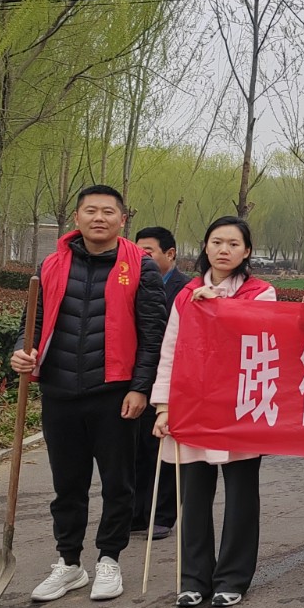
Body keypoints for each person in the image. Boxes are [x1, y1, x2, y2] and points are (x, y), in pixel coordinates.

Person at [11, 185, 167, 603]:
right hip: (60, 391)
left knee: (118, 483)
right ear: (77, 217)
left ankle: (109, 559)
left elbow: (153, 334)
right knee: (67, 485)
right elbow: (32, 322)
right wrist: (22, 352)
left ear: (122, 220)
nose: (99, 218)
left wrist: (141, 388)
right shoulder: (51, 264)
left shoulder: (141, 267)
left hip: (114, 393)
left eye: (108, 212)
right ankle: (69, 563)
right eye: (91, 211)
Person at [150, 217, 276, 607]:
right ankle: (193, 578)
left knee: (241, 496)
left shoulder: (262, 293)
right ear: (205, 246)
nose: (224, 250)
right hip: (193, 405)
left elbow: (259, 338)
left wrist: (218, 307)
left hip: (241, 406)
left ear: (247, 251)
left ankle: (232, 577)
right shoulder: (187, 294)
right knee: (193, 494)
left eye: (234, 244)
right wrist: (164, 407)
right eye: (217, 242)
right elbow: (170, 351)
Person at [132, 225, 188, 541]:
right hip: (139, 377)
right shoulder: (132, 283)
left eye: (148, 252)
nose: (141, 257)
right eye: (137, 251)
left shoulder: (186, 290)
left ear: (170, 254)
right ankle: (138, 513)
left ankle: (163, 515)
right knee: (137, 447)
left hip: (171, 379)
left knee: (165, 449)